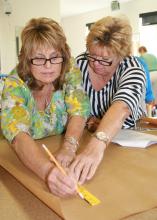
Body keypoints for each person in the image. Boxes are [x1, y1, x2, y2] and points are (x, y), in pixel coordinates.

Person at [1, 17, 90, 197]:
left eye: (54, 57)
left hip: (58, 147)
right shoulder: (14, 84)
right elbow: (18, 135)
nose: (48, 66)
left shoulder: (68, 68)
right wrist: (48, 172)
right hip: (24, 160)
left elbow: (79, 109)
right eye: (39, 58)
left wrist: (69, 146)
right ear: (27, 59)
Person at [68, 16, 146, 185]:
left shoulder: (132, 67)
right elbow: (68, 104)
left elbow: (123, 107)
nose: (96, 64)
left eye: (105, 60)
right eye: (93, 56)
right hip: (86, 136)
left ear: (121, 56)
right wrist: (89, 122)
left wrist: (95, 147)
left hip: (127, 143)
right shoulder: (79, 65)